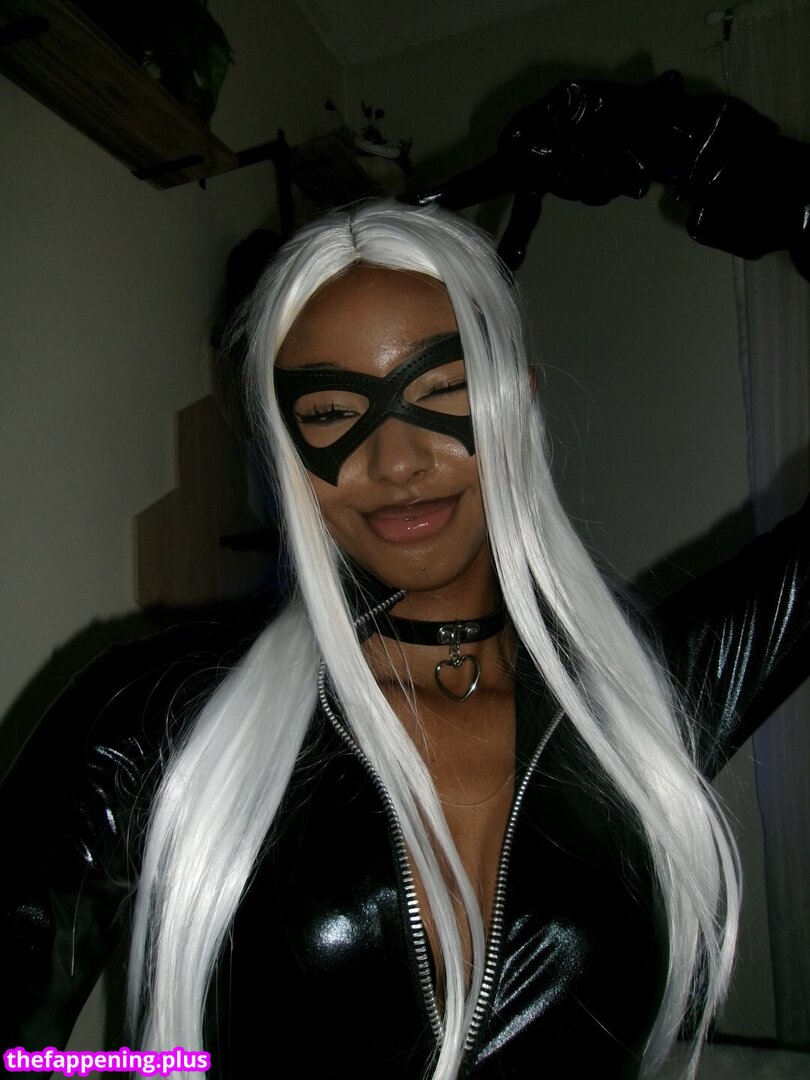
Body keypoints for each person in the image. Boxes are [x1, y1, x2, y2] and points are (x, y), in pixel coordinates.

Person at [1, 200, 808, 1080]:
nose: (395, 461)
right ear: (286, 446)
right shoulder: (164, 711)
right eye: (330, 411)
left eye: (442, 391)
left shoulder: (639, 700)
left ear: (517, 402)